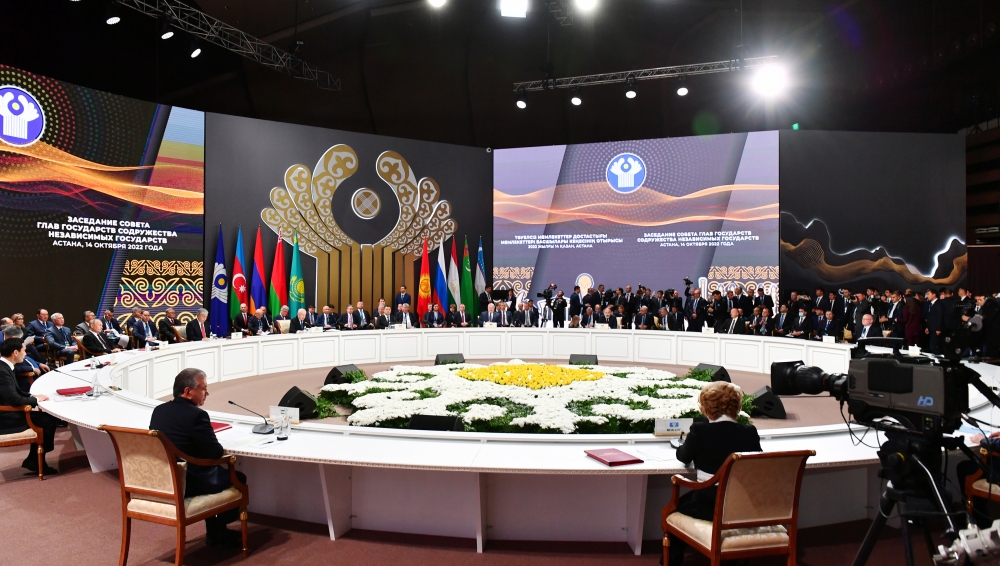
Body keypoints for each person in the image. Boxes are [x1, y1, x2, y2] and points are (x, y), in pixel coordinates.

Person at [149, 368, 246, 548]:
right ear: (187, 391)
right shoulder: (197, 415)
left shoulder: (159, 410)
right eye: (203, 388)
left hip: (163, 480)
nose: (207, 393)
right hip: (189, 481)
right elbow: (215, 452)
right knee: (238, 478)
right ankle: (217, 532)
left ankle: (216, 532)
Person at [668, 381, 761, 566]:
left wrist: (684, 445)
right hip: (743, 506)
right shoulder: (749, 432)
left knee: (673, 508)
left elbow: (684, 456)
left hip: (710, 505)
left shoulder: (700, 430)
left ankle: (670, 562)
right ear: (737, 407)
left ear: (706, 407)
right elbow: (756, 465)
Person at [0, 337, 59, 475]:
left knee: (46, 417)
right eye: (24, 350)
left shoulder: (5, 366)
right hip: (6, 418)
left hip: (9, 412)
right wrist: (35, 401)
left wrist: (32, 396)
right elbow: (14, 399)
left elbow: (15, 392)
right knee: (48, 420)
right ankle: (37, 462)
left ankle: (33, 460)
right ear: (15, 352)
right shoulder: (2, 371)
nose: (25, 354)